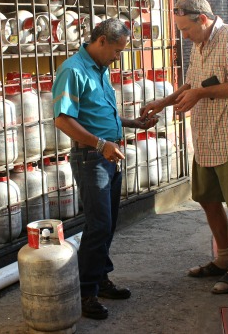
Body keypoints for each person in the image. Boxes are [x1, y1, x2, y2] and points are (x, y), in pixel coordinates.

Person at [140, 0, 228, 294]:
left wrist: (198, 95)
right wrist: (164, 101)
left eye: (185, 29)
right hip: (207, 135)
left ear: (203, 20)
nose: (184, 36)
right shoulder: (200, 44)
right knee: (207, 199)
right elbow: (191, 84)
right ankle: (222, 259)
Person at [52, 18, 158, 320]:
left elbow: (98, 113)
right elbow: (63, 120)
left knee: (108, 224)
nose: (118, 56)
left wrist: (132, 123)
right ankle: (85, 293)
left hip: (108, 155)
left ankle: (99, 279)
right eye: (116, 50)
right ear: (101, 41)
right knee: (98, 225)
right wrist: (100, 145)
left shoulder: (100, 68)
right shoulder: (73, 70)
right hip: (91, 158)